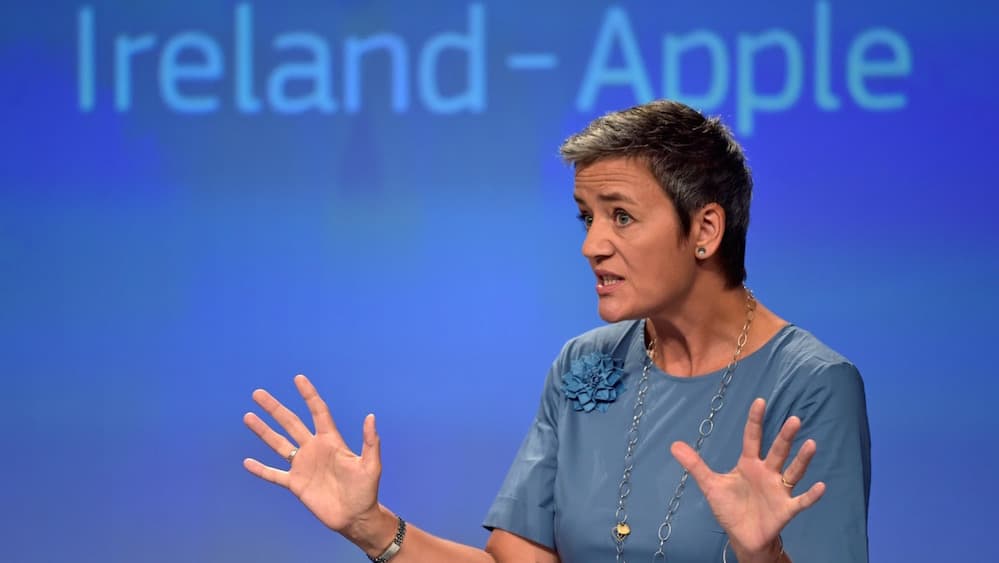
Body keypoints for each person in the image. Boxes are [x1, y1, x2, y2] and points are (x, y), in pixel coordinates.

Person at [242, 100, 871, 563]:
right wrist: (370, 525)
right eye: (587, 218)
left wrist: (764, 557)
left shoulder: (812, 384)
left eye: (621, 217)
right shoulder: (585, 364)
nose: (592, 245)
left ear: (706, 231)